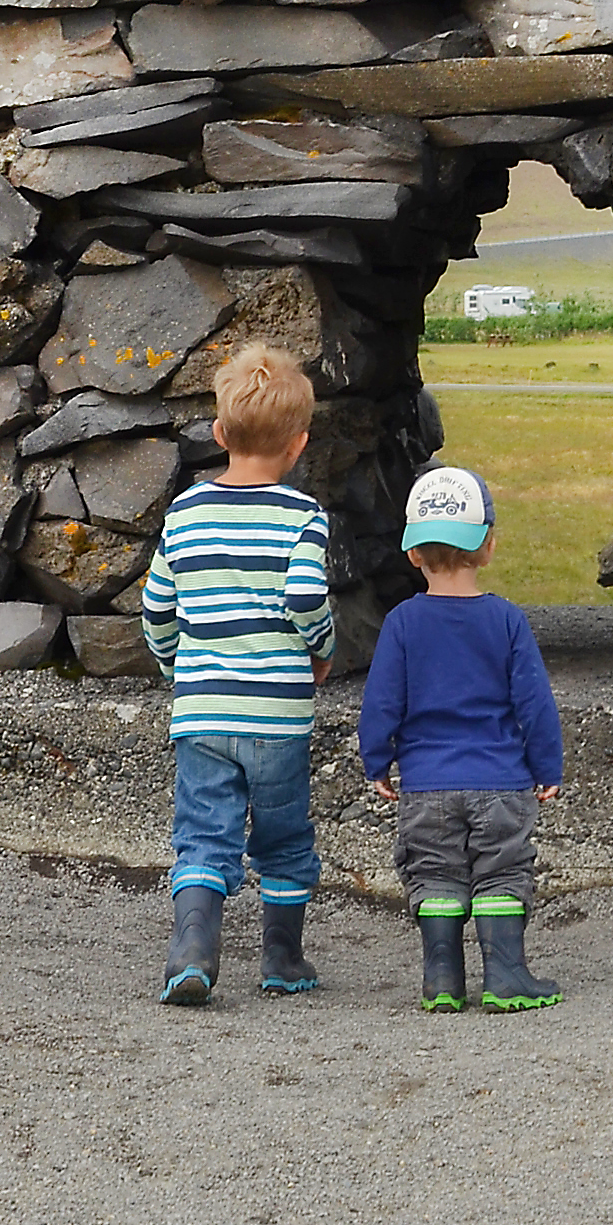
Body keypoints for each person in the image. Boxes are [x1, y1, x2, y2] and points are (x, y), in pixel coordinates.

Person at [139, 340, 334, 1008]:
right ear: (299, 443)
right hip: (279, 715)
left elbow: (157, 607)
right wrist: (323, 647)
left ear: (220, 433)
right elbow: (307, 596)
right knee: (283, 839)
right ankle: (283, 959)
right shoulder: (302, 518)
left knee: (202, 833)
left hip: (201, 712)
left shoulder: (185, 514)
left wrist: (176, 668)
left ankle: (192, 950)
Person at [358, 463, 564, 1014]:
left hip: (425, 787)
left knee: (435, 874)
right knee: (502, 870)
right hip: (501, 782)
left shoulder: (402, 623)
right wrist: (547, 768)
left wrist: (377, 760)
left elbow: (382, 701)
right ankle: (506, 975)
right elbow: (534, 704)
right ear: (489, 547)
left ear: (413, 553)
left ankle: (443, 979)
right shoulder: (506, 621)